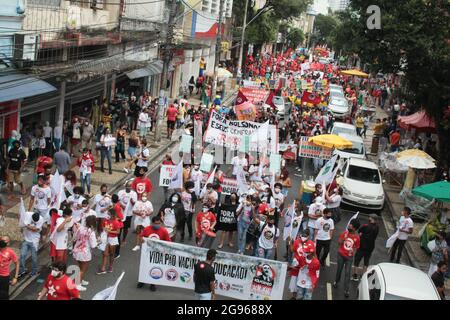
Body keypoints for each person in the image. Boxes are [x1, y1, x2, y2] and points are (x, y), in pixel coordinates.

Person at [136, 216, 172, 291]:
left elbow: (168, 242)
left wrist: (166, 251)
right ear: (152, 223)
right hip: (147, 253)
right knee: (144, 267)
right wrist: (141, 239)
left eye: (159, 223)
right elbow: (141, 236)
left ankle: (153, 283)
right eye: (156, 223)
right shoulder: (147, 229)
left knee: (155, 268)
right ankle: (142, 281)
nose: (157, 225)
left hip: (157, 254)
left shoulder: (164, 231)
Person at [333, 219, 361, 298]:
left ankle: (346, 290)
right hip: (341, 255)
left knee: (347, 273)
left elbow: (356, 247)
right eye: (349, 225)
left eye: (350, 226)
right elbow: (339, 243)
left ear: (355, 229)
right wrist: (343, 239)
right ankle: (336, 281)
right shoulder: (344, 233)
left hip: (349, 257)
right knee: (339, 270)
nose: (349, 226)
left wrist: (352, 254)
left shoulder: (357, 238)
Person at [72, 215, 97, 291]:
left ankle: (80, 280)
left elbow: (75, 237)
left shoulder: (80, 228)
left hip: (77, 250)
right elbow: (93, 245)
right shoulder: (91, 232)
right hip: (85, 252)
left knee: (80, 267)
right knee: (83, 269)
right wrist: (98, 242)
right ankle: (77, 284)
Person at [352, 214, 379, 281]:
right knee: (366, 262)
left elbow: (359, 231)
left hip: (362, 246)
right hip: (370, 247)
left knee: (357, 261)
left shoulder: (365, 226)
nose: (369, 218)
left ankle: (355, 275)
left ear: (372, 219)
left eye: (370, 217)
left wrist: (362, 235)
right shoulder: (377, 227)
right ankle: (363, 276)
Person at [97, 208, 123, 274]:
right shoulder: (105, 220)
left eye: (109, 214)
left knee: (112, 254)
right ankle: (103, 268)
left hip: (113, 239)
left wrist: (109, 231)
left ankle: (111, 266)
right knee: (105, 254)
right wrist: (101, 235)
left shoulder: (116, 222)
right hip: (105, 238)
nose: (107, 215)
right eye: (107, 213)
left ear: (112, 215)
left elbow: (118, 232)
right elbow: (102, 228)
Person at [18, 212, 44, 278]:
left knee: (34, 257)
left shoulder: (41, 219)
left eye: (36, 221)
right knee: (22, 255)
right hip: (26, 239)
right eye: (34, 221)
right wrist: (20, 220)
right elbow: (20, 215)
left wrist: (26, 225)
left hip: (34, 240)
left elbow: (35, 229)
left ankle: (34, 271)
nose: (35, 222)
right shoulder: (27, 214)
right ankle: (22, 271)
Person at [118, 181, 138, 245]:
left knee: (126, 227)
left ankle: (123, 239)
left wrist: (132, 201)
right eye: (127, 186)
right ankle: (118, 239)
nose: (129, 187)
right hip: (120, 213)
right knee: (119, 227)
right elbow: (117, 201)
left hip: (128, 214)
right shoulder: (120, 192)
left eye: (130, 186)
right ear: (125, 186)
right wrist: (122, 206)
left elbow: (135, 204)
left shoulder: (134, 194)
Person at [0, 236, 19, 300]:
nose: (2, 241)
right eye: (1, 240)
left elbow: (17, 263)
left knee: (4, 295)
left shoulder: (10, 252)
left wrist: (15, 277)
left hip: (4, 277)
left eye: (4, 240)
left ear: (8, 243)